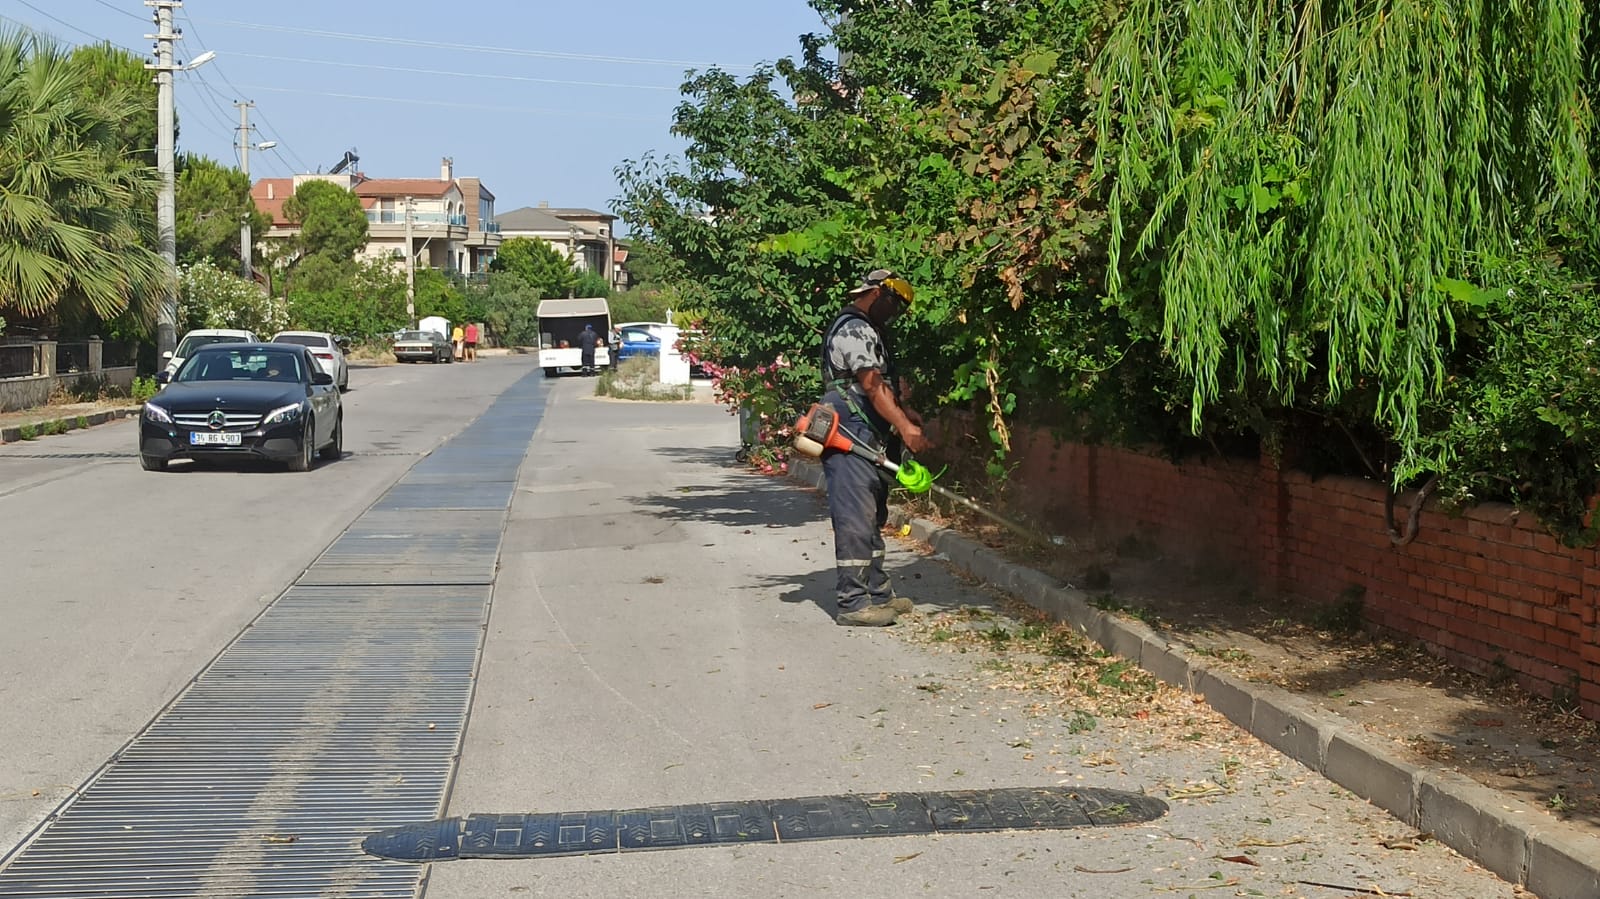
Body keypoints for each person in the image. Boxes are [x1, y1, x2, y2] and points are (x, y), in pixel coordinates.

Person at [820, 268, 932, 626]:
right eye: (895, 304)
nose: (896, 312)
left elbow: (881, 387)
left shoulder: (871, 329)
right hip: (849, 430)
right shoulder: (855, 328)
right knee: (855, 517)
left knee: (871, 514)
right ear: (876, 294)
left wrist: (903, 412)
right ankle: (853, 604)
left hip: (867, 431)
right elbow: (870, 385)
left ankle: (879, 593)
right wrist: (906, 428)